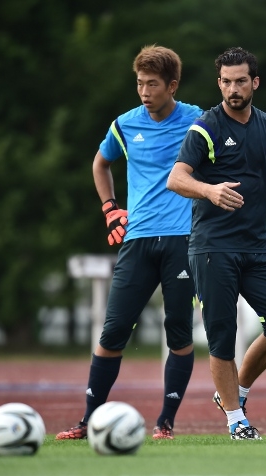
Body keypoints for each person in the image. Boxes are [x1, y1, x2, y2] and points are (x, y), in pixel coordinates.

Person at [56, 45, 203, 441]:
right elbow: (100, 163)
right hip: (137, 241)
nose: (143, 91)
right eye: (139, 83)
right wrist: (110, 208)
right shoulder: (123, 125)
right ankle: (88, 421)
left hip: (183, 242)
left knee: (179, 331)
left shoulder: (199, 120)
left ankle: (165, 423)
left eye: (152, 84)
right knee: (113, 330)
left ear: (172, 85)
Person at [166, 47, 266, 440]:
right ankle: (235, 420)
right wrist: (209, 191)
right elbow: (176, 179)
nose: (233, 89)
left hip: (258, 248)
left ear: (255, 82)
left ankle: (236, 392)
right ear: (219, 83)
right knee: (222, 336)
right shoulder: (205, 127)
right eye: (226, 81)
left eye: (240, 80)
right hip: (212, 249)